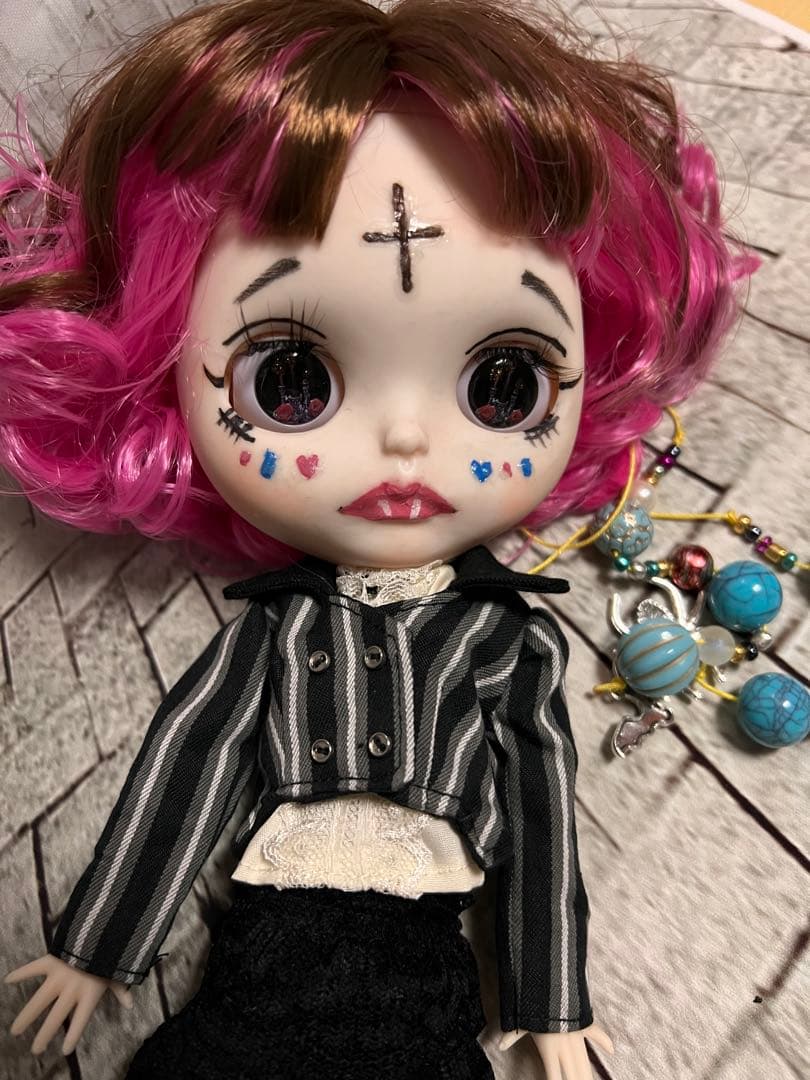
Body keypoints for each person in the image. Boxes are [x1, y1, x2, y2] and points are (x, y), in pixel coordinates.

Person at [0, 1, 750, 1076]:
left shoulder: (508, 644)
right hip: (271, 929)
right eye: (291, 381)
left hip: (422, 949)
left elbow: (541, 813)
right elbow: (190, 762)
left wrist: (551, 1001)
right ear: (163, 363)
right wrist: (100, 949)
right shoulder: (273, 630)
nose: (404, 441)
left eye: (504, 384)